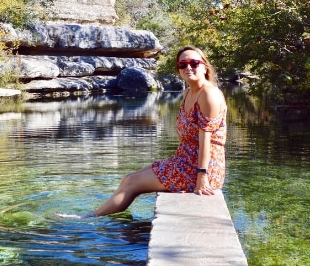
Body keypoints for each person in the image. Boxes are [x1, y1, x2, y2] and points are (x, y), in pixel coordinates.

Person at [91, 46, 227, 217]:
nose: (188, 67)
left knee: (132, 183)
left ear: (204, 66)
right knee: (128, 178)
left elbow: (206, 140)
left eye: (194, 63)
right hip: (184, 161)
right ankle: (96, 214)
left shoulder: (208, 94)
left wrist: (201, 177)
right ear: (178, 69)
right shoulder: (188, 93)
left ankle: (91, 218)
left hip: (201, 170)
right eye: (182, 64)